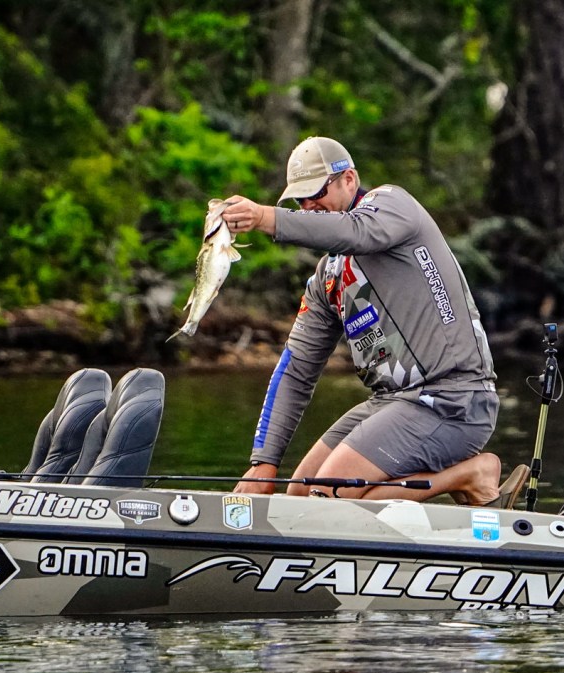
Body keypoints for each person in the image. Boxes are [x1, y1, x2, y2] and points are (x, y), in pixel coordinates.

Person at [221, 136, 529, 507]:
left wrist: (264, 218)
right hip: (391, 402)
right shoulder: (326, 278)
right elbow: (297, 370)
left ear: (349, 179)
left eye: (316, 192)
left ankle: (468, 475)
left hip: (453, 400)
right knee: (299, 496)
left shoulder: (392, 206)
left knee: (325, 497)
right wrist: (264, 463)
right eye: (300, 200)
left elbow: (355, 232)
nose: (308, 206)